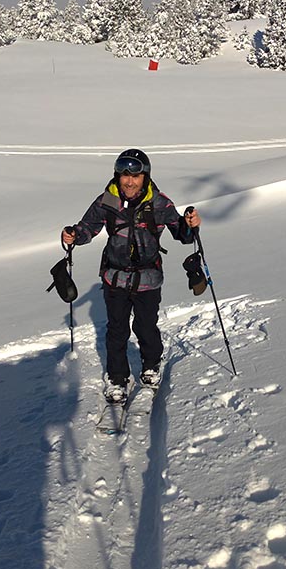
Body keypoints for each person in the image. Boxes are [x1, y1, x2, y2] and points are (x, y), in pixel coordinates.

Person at [61, 148, 201, 403]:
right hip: (115, 277)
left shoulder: (159, 202)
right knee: (117, 330)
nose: (129, 181)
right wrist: (73, 235)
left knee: (146, 326)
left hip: (148, 277)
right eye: (124, 175)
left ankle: (151, 365)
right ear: (117, 176)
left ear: (145, 177)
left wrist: (191, 225)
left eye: (135, 176)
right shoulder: (108, 200)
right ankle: (116, 377)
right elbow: (88, 228)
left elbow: (181, 233)